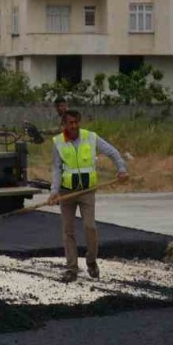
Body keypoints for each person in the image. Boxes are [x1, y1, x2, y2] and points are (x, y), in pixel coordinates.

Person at [50, 110, 128, 283]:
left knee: (90, 227)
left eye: (76, 122)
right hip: (66, 192)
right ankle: (71, 268)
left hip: (87, 191)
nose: (74, 126)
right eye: (70, 123)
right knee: (68, 231)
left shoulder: (90, 137)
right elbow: (56, 168)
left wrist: (121, 169)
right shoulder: (57, 142)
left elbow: (112, 152)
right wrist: (54, 191)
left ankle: (91, 261)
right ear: (64, 125)